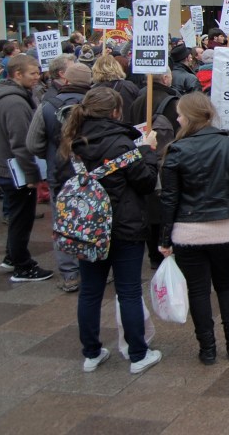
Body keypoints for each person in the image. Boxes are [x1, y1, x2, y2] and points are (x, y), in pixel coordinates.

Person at [58, 88, 162, 374]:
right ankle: (138, 354)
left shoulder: (73, 141)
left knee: (90, 292)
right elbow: (146, 182)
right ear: (116, 111)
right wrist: (148, 153)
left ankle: (91, 353)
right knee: (128, 290)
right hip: (124, 225)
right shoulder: (121, 143)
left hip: (87, 227)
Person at [159, 93, 229, 364]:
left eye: (179, 113)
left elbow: (169, 199)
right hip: (224, 228)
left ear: (189, 117)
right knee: (226, 285)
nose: (177, 118)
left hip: (188, 231)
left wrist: (165, 239)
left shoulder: (176, 150)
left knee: (198, 291)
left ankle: (207, 349)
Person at [26, 62, 93, 292]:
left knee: (62, 221)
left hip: (60, 171)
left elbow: (32, 143)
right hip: (91, 171)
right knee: (94, 218)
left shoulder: (46, 105)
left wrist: (52, 154)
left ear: (65, 80)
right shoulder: (96, 105)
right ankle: (93, 268)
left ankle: (70, 273)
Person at [0, 55, 54, 282]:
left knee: (18, 216)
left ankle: (12, 256)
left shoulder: (7, 96)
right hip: (15, 171)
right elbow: (21, 144)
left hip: (6, 167)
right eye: (33, 73)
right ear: (18, 74)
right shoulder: (15, 102)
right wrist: (32, 175)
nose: (37, 77)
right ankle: (23, 266)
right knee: (21, 219)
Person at [90, 53, 140, 122]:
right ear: (117, 67)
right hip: (128, 128)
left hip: (102, 129)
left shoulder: (92, 91)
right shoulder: (129, 86)